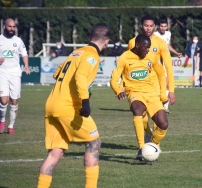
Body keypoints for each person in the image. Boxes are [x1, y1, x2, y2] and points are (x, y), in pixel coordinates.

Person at [37, 23, 110, 188]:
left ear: (89, 38)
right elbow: (80, 76)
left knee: (55, 152)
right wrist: (85, 100)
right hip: (68, 107)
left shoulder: (77, 52)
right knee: (94, 142)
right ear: (106, 42)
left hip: (51, 104)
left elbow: (57, 73)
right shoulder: (92, 56)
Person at [110, 34, 168, 161]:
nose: (147, 50)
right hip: (135, 92)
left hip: (151, 94)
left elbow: (161, 74)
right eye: (145, 48)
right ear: (137, 46)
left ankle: (152, 146)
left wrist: (163, 94)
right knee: (137, 110)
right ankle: (142, 149)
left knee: (163, 124)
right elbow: (113, 79)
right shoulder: (124, 58)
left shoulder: (151, 56)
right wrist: (118, 90)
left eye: (149, 48)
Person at [127, 14, 176, 154]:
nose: (148, 28)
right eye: (146, 25)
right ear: (141, 26)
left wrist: (170, 90)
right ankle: (147, 133)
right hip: (137, 86)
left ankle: (154, 147)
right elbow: (127, 64)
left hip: (155, 87)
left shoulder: (160, 43)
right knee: (140, 114)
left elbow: (168, 67)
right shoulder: (132, 42)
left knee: (158, 119)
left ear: (154, 26)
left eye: (151, 26)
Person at [0, 18, 30, 134]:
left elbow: (24, 54)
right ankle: (2, 120)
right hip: (2, 72)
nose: (12, 29)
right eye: (9, 26)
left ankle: (11, 126)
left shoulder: (18, 41)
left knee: (14, 101)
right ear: (4, 26)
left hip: (15, 74)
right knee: (3, 100)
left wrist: (26, 65)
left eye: (13, 27)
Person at [154, 18, 181, 113]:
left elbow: (167, 45)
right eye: (161, 26)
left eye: (165, 26)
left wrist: (176, 53)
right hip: (157, 61)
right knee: (158, 82)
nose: (163, 28)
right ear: (158, 26)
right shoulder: (154, 35)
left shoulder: (168, 34)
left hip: (166, 60)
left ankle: (165, 106)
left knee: (167, 82)